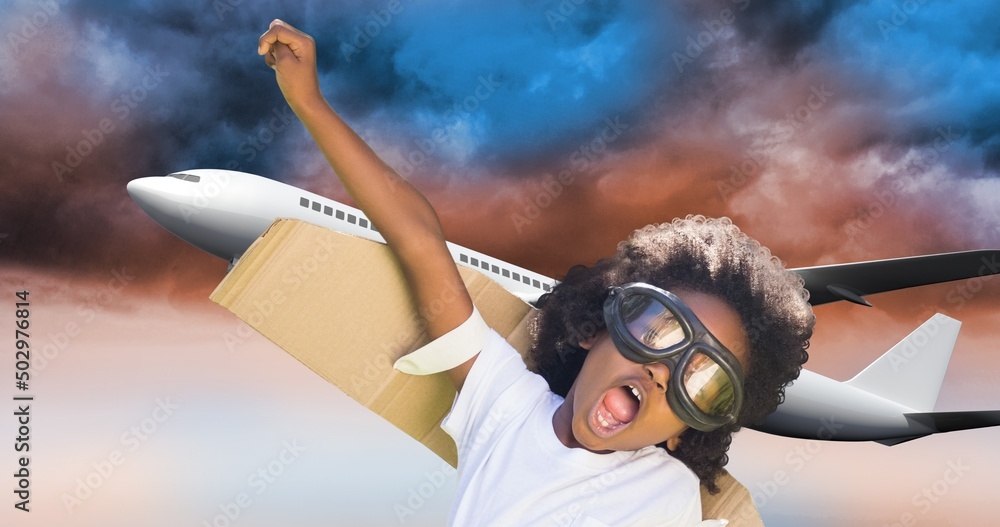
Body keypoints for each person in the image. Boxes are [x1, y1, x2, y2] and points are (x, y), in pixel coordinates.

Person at [258, 18, 815, 526]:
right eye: (658, 328)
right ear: (595, 328)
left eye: (703, 380)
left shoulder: (667, 492)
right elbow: (420, 241)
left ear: (685, 431)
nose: (663, 372)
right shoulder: (504, 408)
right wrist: (311, 104)